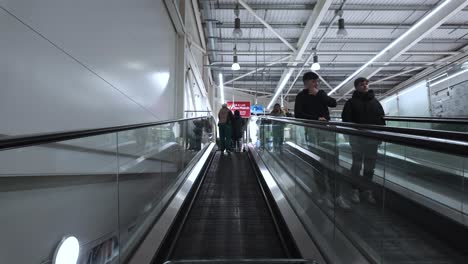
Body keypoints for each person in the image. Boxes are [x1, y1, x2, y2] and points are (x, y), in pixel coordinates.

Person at [294, 72, 350, 209]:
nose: (316, 83)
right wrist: (315, 119)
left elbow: (333, 103)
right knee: (318, 165)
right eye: (314, 81)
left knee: (333, 163)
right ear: (307, 82)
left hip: (328, 132)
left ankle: (337, 196)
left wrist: (318, 94)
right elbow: (298, 114)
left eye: (317, 81)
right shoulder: (301, 96)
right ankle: (323, 195)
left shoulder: (321, 93)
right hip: (313, 133)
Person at [342, 77, 386, 204]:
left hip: (372, 140)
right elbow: (346, 119)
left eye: (366, 84)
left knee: (369, 167)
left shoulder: (375, 102)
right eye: (362, 84)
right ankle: (355, 189)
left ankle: (367, 190)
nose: (365, 86)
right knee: (356, 165)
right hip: (357, 140)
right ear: (356, 87)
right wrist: (352, 134)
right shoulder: (350, 103)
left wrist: (381, 136)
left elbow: (381, 120)